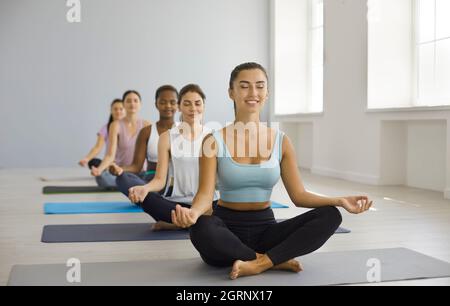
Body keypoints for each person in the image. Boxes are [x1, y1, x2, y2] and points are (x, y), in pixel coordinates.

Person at [171, 62, 373, 280]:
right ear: (231, 92)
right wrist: (193, 213)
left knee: (331, 215)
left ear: (267, 93)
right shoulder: (214, 140)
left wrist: (339, 200)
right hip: (225, 232)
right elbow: (205, 195)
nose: (253, 93)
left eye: (259, 86)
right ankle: (271, 260)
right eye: (244, 86)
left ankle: (260, 262)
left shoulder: (281, 141)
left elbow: (299, 196)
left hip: (267, 230)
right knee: (201, 227)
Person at [127, 84, 219, 231]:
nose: (193, 108)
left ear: (204, 106)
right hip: (177, 204)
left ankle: (178, 223)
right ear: (179, 107)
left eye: (197, 103)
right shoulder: (167, 138)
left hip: (207, 204)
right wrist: (144, 188)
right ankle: (191, 221)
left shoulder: (214, 136)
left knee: (225, 209)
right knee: (148, 199)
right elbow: (159, 180)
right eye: (187, 103)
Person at [111, 85, 179, 194]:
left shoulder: (185, 131)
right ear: (156, 104)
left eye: (172, 102)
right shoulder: (146, 132)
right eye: (163, 102)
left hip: (177, 182)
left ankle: (150, 199)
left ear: (178, 104)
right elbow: (136, 166)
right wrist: (119, 169)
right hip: (152, 182)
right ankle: (149, 196)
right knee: (122, 179)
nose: (168, 106)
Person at [91, 90, 150, 188]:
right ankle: (132, 184)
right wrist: (99, 169)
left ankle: (133, 184)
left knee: (150, 179)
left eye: (135, 101)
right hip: (121, 171)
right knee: (103, 178)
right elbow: (110, 155)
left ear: (140, 104)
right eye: (128, 101)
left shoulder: (146, 125)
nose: (132, 103)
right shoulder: (115, 125)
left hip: (142, 172)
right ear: (124, 104)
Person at [78, 99, 125, 169]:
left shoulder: (130, 127)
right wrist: (87, 158)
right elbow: (98, 147)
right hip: (110, 163)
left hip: (127, 163)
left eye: (121, 109)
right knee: (93, 162)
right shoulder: (105, 128)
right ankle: (109, 168)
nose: (118, 111)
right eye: (115, 109)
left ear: (126, 110)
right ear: (111, 111)